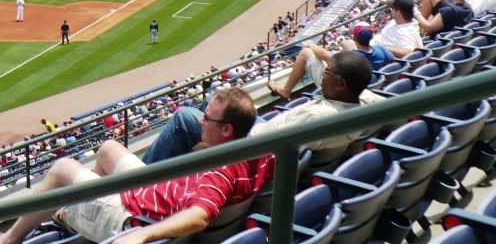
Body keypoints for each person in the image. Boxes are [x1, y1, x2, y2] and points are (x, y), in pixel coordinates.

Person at [0, 89, 271, 244]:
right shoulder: (264, 151)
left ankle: (10, 239)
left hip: (131, 215)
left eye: (208, 119)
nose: (200, 121)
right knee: (108, 148)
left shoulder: (219, 173)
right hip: (154, 191)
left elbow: (200, 216)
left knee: (62, 168)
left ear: (227, 130)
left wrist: (142, 234)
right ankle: (75, 208)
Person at [144, 51, 379, 163]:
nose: (323, 74)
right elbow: (309, 54)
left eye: (328, 72)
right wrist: (335, 61)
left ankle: (138, 175)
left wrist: (209, 144)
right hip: (271, 131)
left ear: (339, 83)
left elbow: (256, 145)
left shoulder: (316, 116)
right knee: (218, 99)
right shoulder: (363, 100)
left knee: (184, 117)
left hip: (255, 140)